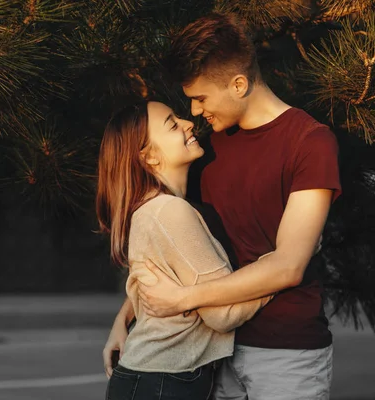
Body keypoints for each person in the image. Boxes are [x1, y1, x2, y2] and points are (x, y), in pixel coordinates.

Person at [103, 13, 342, 400]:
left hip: (287, 353)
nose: (195, 113)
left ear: (239, 84)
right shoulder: (205, 149)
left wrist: (182, 300)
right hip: (214, 355)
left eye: (200, 98)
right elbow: (177, 251)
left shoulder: (311, 143)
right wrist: (123, 318)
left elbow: (289, 265)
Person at [96, 100, 272, 400]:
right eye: (172, 124)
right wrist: (279, 267)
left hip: (154, 380)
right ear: (149, 156)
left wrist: (122, 319)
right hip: (163, 383)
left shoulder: (153, 209)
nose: (188, 122)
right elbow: (223, 315)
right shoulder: (169, 212)